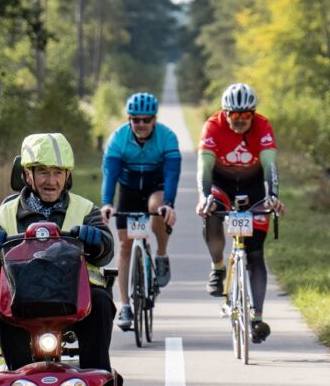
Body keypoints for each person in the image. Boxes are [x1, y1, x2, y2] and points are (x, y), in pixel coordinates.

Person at [0, 133, 116, 372]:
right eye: (43, 172)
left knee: (101, 302)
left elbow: (106, 251)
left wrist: (97, 243)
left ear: (67, 175)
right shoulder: (5, 214)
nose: (51, 180)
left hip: (75, 297)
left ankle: (97, 379)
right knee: (0, 306)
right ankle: (20, 377)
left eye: (58, 172)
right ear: (27, 174)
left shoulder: (85, 210)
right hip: (21, 297)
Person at [196, 82, 285, 343]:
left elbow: (270, 165)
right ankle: (218, 267)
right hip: (221, 184)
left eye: (246, 114)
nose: (240, 120)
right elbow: (204, 167)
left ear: (253, 114)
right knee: (212, 210)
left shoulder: (263, 126)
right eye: (234, 114)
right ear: (225, 113)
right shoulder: (213, 126)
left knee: (255, 253)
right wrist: (203, 197)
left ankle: (257, 318)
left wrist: (273, 196)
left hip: (253, 187)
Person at [100, 92, 181, 330]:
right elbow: (110, 174)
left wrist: (169, 203)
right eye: (136, 120)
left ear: (155, 119)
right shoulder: (118, 138)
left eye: (146, 120)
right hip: (129, 190)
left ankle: (161, 254)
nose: (141, 124)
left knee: (157, 207)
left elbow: (172, 173)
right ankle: (125, 305)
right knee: (125, 246)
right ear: (129, 120)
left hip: (156, 188)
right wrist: (107, 203)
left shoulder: (167, 137)